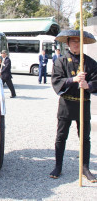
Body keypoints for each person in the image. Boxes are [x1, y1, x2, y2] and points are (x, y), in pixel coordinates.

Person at [50, 30, 97, 183]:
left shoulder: (90, 62)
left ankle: (85, 168)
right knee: (61, 136)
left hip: (83, 103)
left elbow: (96, 81)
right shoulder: (61, 61)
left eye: (78, 41)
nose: (76, 44)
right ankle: (58, 165)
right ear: (68, 43)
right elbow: (56, 80)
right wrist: (73, 80)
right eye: (73, 41)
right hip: (66, 103)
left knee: (85, 137)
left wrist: (87, 85)